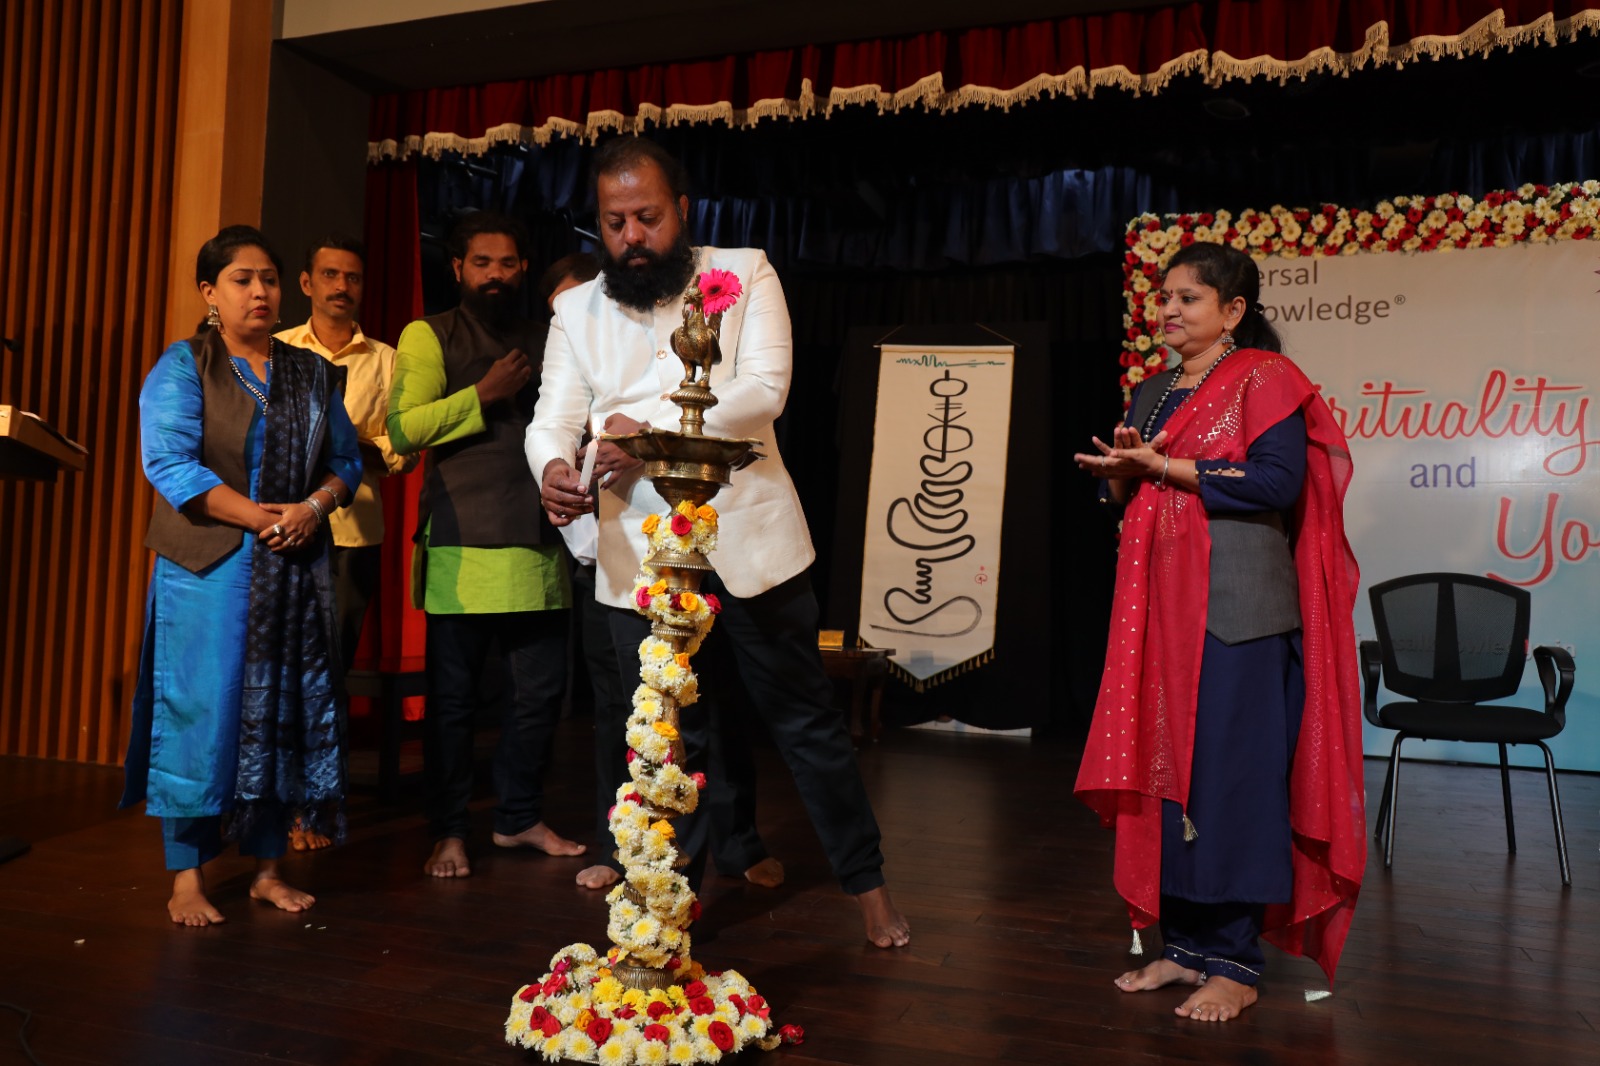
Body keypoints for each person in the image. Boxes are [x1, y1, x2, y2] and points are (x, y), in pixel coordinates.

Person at [528, 137, 909, 948]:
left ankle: (868, 884)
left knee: (805, 723)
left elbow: (763, 391)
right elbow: (551, 417)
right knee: (665, 740)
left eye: (648, 217)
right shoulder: (576, 309)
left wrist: (644, 432)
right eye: (615, 222)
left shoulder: (744, 272)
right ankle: (667, 917)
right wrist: (553, 468)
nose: (633, 237)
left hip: (747, 540)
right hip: (638, 552)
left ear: (683, 210)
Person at [1071, 242, 1364, 1021]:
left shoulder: (1266, 378)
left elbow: (1276, 481)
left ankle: (1235, 961)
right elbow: (1130, 490)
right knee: (1163, 774)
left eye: (1188, 298)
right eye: (1164, 297)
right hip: (1157, 612)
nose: (1169, 310)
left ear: (1233, 311)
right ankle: (1182, 947)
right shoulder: (1152, 391)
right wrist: (1123, 473)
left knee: (1232, 780)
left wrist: (1162, 469)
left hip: (1237, 609)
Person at [122, 225, 363, 926]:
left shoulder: (310, 372)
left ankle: (266, 868)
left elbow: (346, 463)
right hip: (208, 570)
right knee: (201, 714)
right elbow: (170, 464)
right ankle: (186, 877)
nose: (260, 292)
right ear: (210, 292)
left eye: (269, 279)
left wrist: (313, 509)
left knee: (278, 713)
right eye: (241, 279)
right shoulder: (185, 365)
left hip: (290, 567)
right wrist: (264, 519)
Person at [387, 212, 585, 879]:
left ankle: (518, 816)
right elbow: (404, 430)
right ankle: (448, 831)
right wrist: (483, 394)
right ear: (457, 268)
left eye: (507, 263)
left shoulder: (547, 336)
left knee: (538, 697)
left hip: (539, 541)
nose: (495, 275)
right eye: (481, 263)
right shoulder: (430, 334)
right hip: (462, 543)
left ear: (524, 268)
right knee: (454, 704)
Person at [276, 236, 419, 851]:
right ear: (307, 283)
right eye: (330, 275)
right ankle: (268, 800)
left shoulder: (388, 361)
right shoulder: (277, 348)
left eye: (353, 277)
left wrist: (338, 442)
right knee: (274, 668)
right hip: (278, 528)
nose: (342, 286)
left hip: (351, 534)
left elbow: (401, 453)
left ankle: (314, 806)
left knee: (327, 672)